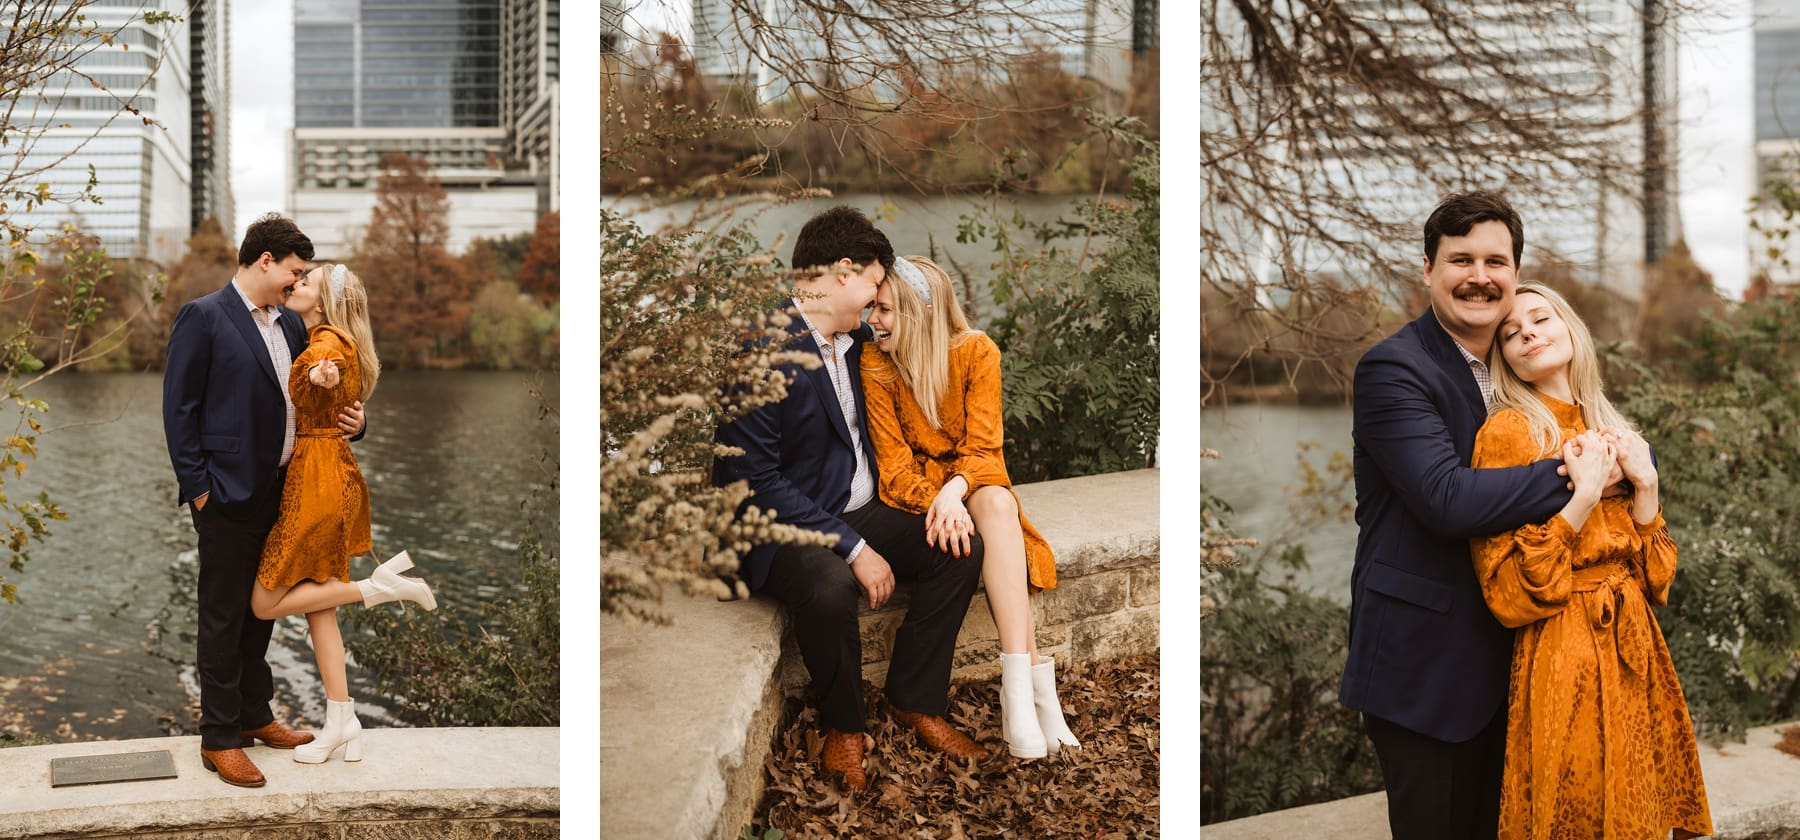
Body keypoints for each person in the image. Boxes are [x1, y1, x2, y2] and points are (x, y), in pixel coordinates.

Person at [713, 206, 988, 793]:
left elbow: (934, 342)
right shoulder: (762, 346)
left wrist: (951, 488)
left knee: (959, 548)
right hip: (781, 525)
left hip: (861, 505)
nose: (874, 298)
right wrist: (854, 545)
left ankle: (914, 699)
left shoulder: (863, 338)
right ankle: (843, 727)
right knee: (829, 582)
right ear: (843, 271)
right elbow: (754, 479)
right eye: (872, 283)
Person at [1337, 191, 1580, 838]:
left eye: (1496, 261)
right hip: (1424, 668)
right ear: (1427, 270)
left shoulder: (1523, 372)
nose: (1480, 276)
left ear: (1516, 274)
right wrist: (1582, 472)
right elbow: (1446, 499)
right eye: (1461, 259)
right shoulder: (1394, 368)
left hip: (1520, 662)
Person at [1470, 282, 1712, 839]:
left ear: (1570, 328)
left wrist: (1646, 486)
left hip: (1636, 643)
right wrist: (1580, 498)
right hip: (1564, 646)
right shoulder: (1509, 431)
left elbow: (1658, 579)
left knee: (1638, 809)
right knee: (1576, 805)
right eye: (1510, 333)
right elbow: (1508, 591)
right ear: (1504, 358)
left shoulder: (1610, 425)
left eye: (1539, 319)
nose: (1526, 332)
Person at [162, 214, 366, 788]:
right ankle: (220, 738)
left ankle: (255, 716)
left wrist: (358, 423)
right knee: (223, 616)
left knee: (261, 613)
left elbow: (315, 401)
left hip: (286, 491)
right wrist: (200, 490)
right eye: (294, 271)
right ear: (265, 261)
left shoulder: (294, 326)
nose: (296, 282)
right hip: (225, 495)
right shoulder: (202, 317)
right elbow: (179, 413)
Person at [860, 255, 1079, 759]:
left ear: (920, 312)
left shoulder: (976, 352)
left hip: (971, 483)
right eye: (873, 307)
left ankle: (1019, 693)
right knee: (998, 508)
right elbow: (893, 471)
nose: (874, 320)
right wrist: (939, 499)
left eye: (886, 310)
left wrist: (954, 491)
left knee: (998, 504)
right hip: (925, 492)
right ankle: (1032, 697)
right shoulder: (877, 363)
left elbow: (984, 449)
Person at [248, 263, 437, 766]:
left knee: (264, 603)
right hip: (331, 472)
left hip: (317, 482)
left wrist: (318, 374)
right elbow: (331, 388)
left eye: (305, 283)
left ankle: (378, 588)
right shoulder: (331, 335)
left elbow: (319, 372)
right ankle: (342, 720)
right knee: (318, 609)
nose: (296, 285)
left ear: (325, 302)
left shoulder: (327, 343)